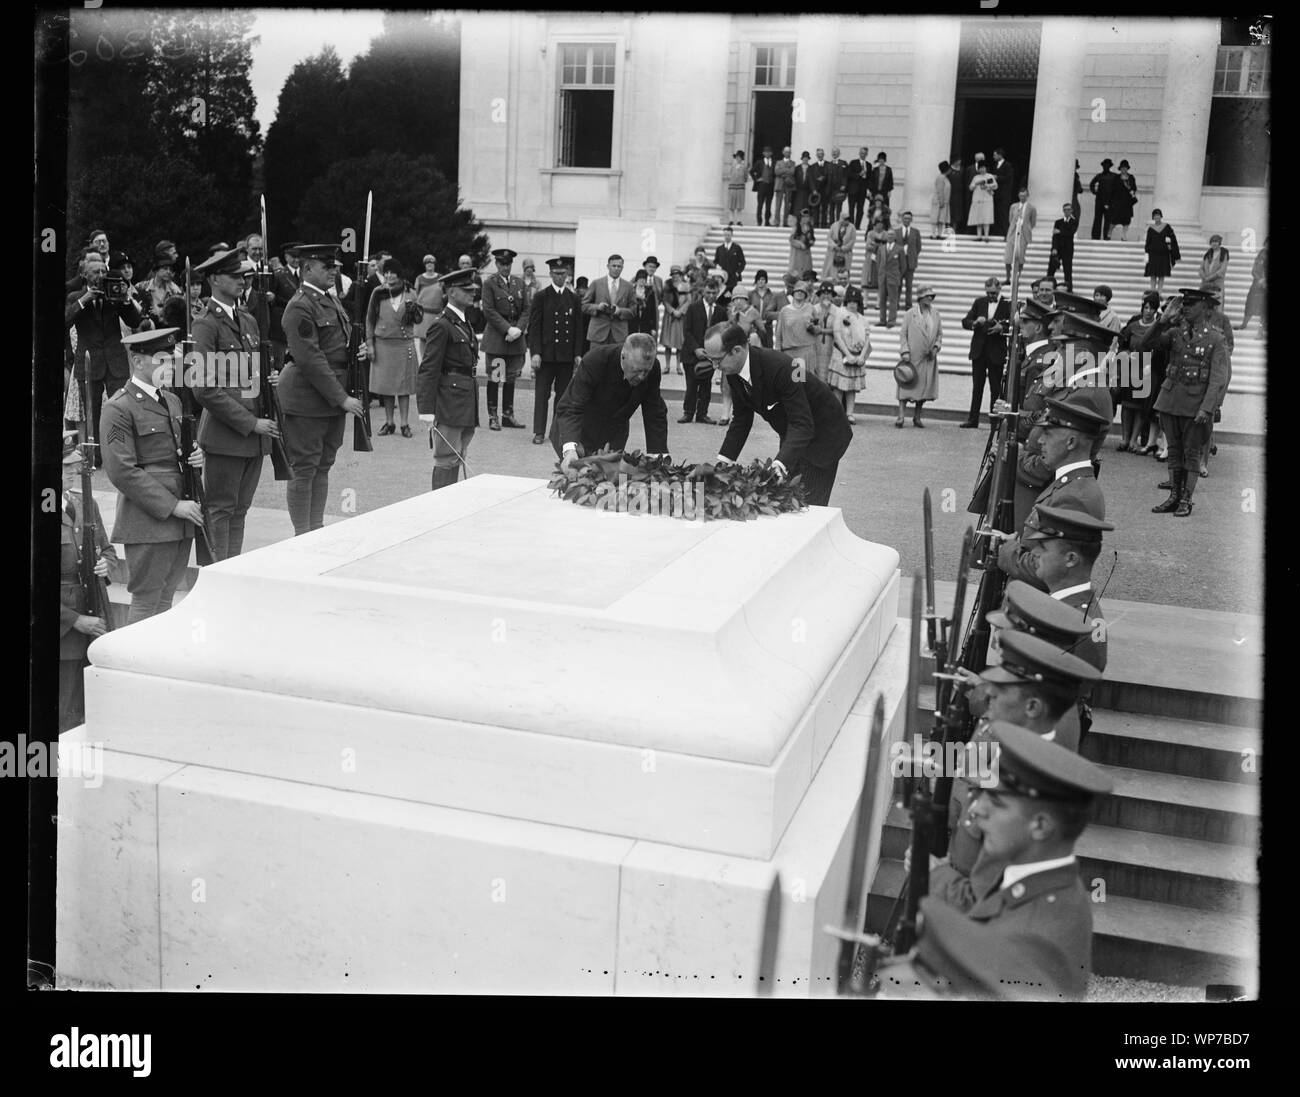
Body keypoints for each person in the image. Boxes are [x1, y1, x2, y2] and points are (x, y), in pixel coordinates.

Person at [913, 720, 1113, 1001]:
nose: (977, 809)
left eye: (994, 800)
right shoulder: (1033, 880)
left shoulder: (1032, 942)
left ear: (1041, 826)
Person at [931, 630, 1102, 913]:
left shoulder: (1026, 785)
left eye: (1000, 689)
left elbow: (983, 901)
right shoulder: (1018, 746)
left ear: (1032, 706)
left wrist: (936, 875)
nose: (990, 693)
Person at [100, 328, 205, 622]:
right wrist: (173, 506)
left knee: (167, 597)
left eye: (171, 360)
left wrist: (196, 456)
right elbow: (122, 471)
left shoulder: (171, 401)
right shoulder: (118, 408)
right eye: (161, 360)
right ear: (138, 361)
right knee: (147, 601)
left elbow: (178, 454)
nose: (169, 366)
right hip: (148, 519)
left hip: (181, 516)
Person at [189, 249, 280, 562]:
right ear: (215, 279)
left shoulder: (248, 320)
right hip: (227, 435)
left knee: (239, 511)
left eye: (244, 275)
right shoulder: (205, 325)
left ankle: (231, 572)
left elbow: (249, 376)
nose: (242, 281)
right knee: (220, 511)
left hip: (254, 436)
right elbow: (202, 387)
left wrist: (269, 382)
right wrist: (249, 422)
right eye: (234, 276)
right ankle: (215, 578)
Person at [701, 321, 853, 507]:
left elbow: (803, 424)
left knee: (808, 510)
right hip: (793, 432)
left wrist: (780, 464)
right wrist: (722, 464)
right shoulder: (732, 371)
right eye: (711, 360)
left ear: (737, 350)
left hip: (823, 436)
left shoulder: (782, 367)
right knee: (786, 500)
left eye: (718, 359)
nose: (715, 366)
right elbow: (741, 420)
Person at [278, 244, 366, 534]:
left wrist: (358, 349)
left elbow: (339, 344)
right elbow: (310, 358)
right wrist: (342, 398)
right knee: (304, 467)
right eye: (326, 267)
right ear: (307, 269)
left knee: (324, 464)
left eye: (335, 267)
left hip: (328, 397)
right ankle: (302, 533)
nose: (333, 271)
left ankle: (315, 528)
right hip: (307, 397)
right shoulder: (300, 305)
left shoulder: (330, 300)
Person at [1000, 386, 1111, 585]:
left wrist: (1006, 550)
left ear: (1070, 442)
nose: (1040, 440)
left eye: (1048, 434)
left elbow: (1049, 569)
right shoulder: (1068, 485)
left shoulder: (1075, 497)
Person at [1149, 288, 1230, 518]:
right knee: (1174, 451)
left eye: (1191, 303)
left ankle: (1186, 499)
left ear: (1204, 307)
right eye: (1184, 303)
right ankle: (1174, 496)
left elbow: (1218, 378)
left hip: (1195, 405)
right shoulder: (1175, 332)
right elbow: (1145, 345)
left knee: (1191, 453)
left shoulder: (1216, 338)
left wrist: (1208, 407)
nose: (1185, 307)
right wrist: (1161, 322)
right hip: (1170, 400)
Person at [59, 430, 117, 732]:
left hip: (95, 618)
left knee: (88, 709)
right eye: (65, 466)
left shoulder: (85, 504)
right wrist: (74, 620)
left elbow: (107, 549)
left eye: (74, 465)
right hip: (63, 632)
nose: (73, 471)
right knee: (62, 710)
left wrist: (106, 564)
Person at [65, 250, 145, 457]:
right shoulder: (75, 297)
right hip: (89, 363)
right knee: (93, 413)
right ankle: (96, 456)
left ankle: (122, 452)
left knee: (120, 408)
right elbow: (65, 321)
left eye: (103, 270)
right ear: (84, 275)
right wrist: (86, 299)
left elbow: (135, 322)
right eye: (95, 272)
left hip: (115, 361)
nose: (101, 275)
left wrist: (125, 300)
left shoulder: (114, 295)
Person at [1019, 505, 1114, 677]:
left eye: (1043, 547)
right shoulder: (1064, 606)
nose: (1034, 552)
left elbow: (1057, 695)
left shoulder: (1081, 625)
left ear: (1070, 559)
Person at [554, 333, 668, 465]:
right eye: (637, 370)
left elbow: (654, 413)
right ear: (623, 356)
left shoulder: (653, 368)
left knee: (611, 480)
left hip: (615, 432)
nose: (642, 377)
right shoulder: (595, 360)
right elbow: (571, 406)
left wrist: (659, 457)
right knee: (578, 479)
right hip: (578, 430)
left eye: (646, 371)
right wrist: (570, 450)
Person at [417, 268, 481, 489]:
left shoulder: (463, 322)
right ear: (452, 292)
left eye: (473, 289)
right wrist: (426, 410)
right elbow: (429, 369)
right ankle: (440, 510)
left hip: (464, 398)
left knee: (458, 455)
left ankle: (451, 508)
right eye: (467, 290)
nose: (473, 293)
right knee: (446, 457)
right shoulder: (442, 325)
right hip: (450, 402)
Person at [525, 256, 582, 445]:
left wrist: (577, 354)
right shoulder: (541, 297)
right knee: (542, 395)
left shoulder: (573, 298)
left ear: (567, 275)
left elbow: (578, 328)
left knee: (563, 397)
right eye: (556, 274)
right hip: (546, 356)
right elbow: (535, 327)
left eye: (563, 274)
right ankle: (539, 432)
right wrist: (535, 353)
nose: (559, 277)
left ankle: (558, 432)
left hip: (565, 357)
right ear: (550, 274)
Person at [365, 258, 420, 438]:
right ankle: (389, 422)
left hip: (404, 344)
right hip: (383, 344)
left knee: (403, 387)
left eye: (392, 272)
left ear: (399, 274)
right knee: (386, 386)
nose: (388, 275)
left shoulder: (411, 293)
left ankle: (404, 423)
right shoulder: (378, 292)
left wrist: (415, 312)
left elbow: (418, 319)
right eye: (386, 272)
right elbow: (370, 319)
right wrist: (370, 344)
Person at [478, 247, 528, 430]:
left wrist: (518, 330)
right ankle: (493, 416)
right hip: (498, 340)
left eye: (508, 264)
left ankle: (508, 414)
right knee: (496, 377)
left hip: (515, 340)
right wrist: (507, 329)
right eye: (502, 264)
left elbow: (526, 310)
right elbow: (489, 311)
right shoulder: (490, 283)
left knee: (512, 377)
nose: (506, 267)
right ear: (497, 264)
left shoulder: (519, 283)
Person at [960, 277, 1011, 429]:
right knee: (977, 387)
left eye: (993, 293)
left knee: (995, 388)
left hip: (996, 352)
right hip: (979, 352)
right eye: (988, 293)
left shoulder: (1007, 303)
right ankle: (973, 419)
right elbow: (965, 321)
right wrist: (975, 323)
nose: (991, 296)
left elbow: (1014, 324)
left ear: (1000, 289)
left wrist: (1001, 328)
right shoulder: (979, 302)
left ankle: (994, 421)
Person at [1116, 290, 1163, 452]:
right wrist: (1126, 353)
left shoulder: (1157, 329)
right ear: (1142, 308)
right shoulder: (1133, 326)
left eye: (1152, 309)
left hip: (1146, 371)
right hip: (1129, 368)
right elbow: (1121, 344)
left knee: (1140, 407)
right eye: (1146, 308)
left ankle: (1134, 440)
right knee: (1126, 406)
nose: (1149, 312)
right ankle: (1124, 438)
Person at [679, 278, 728, 424]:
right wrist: (696, 349)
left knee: (706, 386)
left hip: (710, 356)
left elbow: (723, 332)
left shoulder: (720, 311)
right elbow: (686, 331)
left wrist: (716, 353)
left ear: (718, 292)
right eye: (708, 292)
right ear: (703, 292)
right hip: (691, 353)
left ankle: (702, 414)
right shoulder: (693, 307)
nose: (711, 295)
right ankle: (688, 413)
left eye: (714, 292)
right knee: (691, 385)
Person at [896, 285, 942, 427]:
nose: (930, 298)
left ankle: (917, 416)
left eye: (931, 296)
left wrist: (936, 347)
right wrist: (905, 351)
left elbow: (939, 334)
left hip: (928, 357)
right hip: (912, 356)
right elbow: (903, 334)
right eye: (927, 296)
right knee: (906, 382)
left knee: (923, 386)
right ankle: (901, 416)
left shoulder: (935, 314)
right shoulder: (910, 314)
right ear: (920, 297)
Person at [828, 287, 870, 423]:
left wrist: (861, 357)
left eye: (855, 302)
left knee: (852, 388)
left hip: (857, 355)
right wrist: (847, 354)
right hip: (842, 354)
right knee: (839, 387)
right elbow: (837, 336)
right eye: (850, 301)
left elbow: (867, 340)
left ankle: (849, 413)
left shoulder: (863, 319)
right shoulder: (840, 314)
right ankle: (836, 413)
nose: (852, 304)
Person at [583, 254, 636, 348]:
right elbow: (583, 305)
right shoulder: (596, 283)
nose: (616, 268)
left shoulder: (629, 287)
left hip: (619, 335)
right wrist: (597, 307)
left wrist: (620, 311)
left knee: (616, 362)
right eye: (613, 266)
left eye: (619, 266)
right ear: (608, 266)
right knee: (596, 361)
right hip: (598, 334)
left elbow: (633, 310)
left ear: (622, 268)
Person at [773, 279, 816, 380]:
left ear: (806, 294)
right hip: (790, 352)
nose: (800, 293)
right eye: (798, 291)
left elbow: (819, 328)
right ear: (793, 292)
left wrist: (813, 327)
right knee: (794, 384)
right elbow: (778, 333)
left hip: (806, 351)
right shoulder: (784, 311)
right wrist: (778, 353)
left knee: (807, 385)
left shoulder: (811, 308)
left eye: (803, 291)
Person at [1003, 186, 1037, 283]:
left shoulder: (1031, 208)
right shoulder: (1013, 206)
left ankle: (1017, 277)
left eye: (1024, 196)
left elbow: (1033, 222)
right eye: (1021, 196)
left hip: (1023, 234)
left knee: (1020, 257)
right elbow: (1010, 219)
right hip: (1013, 232)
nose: (1022, 197)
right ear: (1018, 195)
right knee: (1008, 257)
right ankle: (1008, 278)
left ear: (1027, 196)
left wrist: (1027, 228)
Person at [807, 282, 837, 384]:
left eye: (829, 293)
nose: (826, 296)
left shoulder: (837, 311)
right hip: (815, 345)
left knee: (829, 375)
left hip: (831, 346)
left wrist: (822, 330)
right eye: (823, 293)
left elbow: (838, 330)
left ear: (832, 296)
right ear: (819, 295)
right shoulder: (813, 309)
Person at [1143, 209, 1180, 293]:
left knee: (1161, 274)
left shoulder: (1167, 227)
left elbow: (1173, 239)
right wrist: (1146, 252)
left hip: (1163, 254)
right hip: (1153, 254)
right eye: (1155, 215)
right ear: (1153, 217)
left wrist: (1171, 247)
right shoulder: (1150, 229)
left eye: (1158, 215)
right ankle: (1153, 291)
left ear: (1161, 216)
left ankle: (1159, 292)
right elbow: (1148, 242)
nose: (1157, 217)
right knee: (1152, 274)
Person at [660, 267, 688, 371]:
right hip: (669, 317)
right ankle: (667, 365)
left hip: (680, 318)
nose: (675, 277)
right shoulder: (667, 285)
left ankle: (678, 365)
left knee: (679, 343)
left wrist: (680, 311)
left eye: (678, 275)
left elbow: (688, 301)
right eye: (673, 275)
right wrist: (672, 311)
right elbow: (664, 300)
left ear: (681, 275)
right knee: (668, 343)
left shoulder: (685, 286)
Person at [1046, 203, 1078, 293]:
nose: (1067, 211)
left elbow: (1071, 233)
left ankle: (1069, 289)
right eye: (1065, 210)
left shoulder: (1074, 221)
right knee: (1051, 268)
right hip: (1058, 248)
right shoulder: (1058, 222)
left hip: (1068, 249)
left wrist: (1060, 231)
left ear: (1071, 210)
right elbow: (1055, 236)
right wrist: (1054, 248)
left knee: (1067, 269)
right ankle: (1047, 285)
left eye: (1069, 209)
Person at [875, 228, 904, 328]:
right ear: (886, 236)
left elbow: (903, 266)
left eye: (892, 234)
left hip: (893, 278)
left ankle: (891, 321)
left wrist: (897, 275)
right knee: (882, 300)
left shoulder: (899, 249)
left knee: (893, 300)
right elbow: (878, 263)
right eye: (889, 234)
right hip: (883, 277)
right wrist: (880, 274)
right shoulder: (881, 248)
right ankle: (882, 320)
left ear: (895, 237)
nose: (890, 236)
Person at [1240, 238, 1267, 336]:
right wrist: (1259, 279)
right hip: (1256, 284)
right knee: (1250, 303)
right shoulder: (1261, 253)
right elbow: (1254, 269)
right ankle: (1244, 324)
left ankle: (1260, 331)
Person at [898, 211, 923, 310]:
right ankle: (896, 303)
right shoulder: (897, 232)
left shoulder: (915, 232)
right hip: (899, 262)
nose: (907, 220)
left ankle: (908, 304)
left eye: (909, 218)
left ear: (911, 220)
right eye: (905, 218)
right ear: (902, 219)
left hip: (910, 262)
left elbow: (918, 247)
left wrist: (912, 255)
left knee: (909, 285)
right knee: (898, 285)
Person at [822, 212, 857, 279]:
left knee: (844, 271)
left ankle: (843, 285)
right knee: (833, 270)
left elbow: (852, 240)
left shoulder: (852, 227)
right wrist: (834, 246)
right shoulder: (834, 225)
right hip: (834, 252)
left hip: (845, 253)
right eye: (845, 219)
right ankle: (833, 282)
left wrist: (843, 248)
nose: (847, 221)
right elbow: (829, 237)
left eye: (848, 219)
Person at [1089, 158, 1118, 240]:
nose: (1105, 167)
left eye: (1107, 165)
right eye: (1104, 165)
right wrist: (1094, 192)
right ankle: (1095, 236)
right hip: (1099, 200)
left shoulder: (1114, 176)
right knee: (1097, 219)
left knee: (1108, 220)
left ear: (1110, 166)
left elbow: (1118, 187)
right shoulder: (1099, 176)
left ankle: (1106, 236)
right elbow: (1091, 184)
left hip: (1109, 201)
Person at [967, 158, 996, 240]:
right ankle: (979, 236)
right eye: (980, 168)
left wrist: (987, 186)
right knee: (978, 218)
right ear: (978, 169)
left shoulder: (989, 176)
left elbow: (995, 186)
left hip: (987, 200)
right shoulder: (976, 177)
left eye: (984, 167)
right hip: (978, 200)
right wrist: (976, 184)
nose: (982, 169)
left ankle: (986, 236)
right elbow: (970, 188)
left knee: (987, 218)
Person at [1109, 160, 1138, 240]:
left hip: (1127, 202)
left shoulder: (1131, 177)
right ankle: (1109, 233)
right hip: (1117, 202)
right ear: (1120, 169)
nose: (1124, 169)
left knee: (1127, 220)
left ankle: (1123, 235)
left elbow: (1134, 188)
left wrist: (1130, 188)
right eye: (1122, 168)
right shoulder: (1116, 178)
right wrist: (1111, 202)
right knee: (1114, 220)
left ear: (1127, 168)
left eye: (1125, 168)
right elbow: (1112, 190)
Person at [713, 225, 746, 292]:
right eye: (725, 235)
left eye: (728, 235)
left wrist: (737, 273)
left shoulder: (737, 248)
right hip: (723, 278)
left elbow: (743, 262)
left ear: (731, 235)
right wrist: (717, 266)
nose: (726, 237)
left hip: (733, 278)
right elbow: (715, 261)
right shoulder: (719, 249)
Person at [991, 149, 1015, 236]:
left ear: (1000, 155)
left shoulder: (1008, 165)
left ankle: (1006, 233)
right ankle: (997, 232)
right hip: (996, 194)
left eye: (995, 155)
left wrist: (997, 177)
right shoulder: (995, 165)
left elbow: (1009, 178)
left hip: (1004, 194)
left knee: (1004, 214)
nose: (993, 157)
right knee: (996, 213)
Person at [750, 145, 776, 226]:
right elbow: (751, 171)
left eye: (769, 152)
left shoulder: (774, 162)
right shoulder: (759, 162)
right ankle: (759, 221)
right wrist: (756, 179)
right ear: (763, 153)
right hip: (761, 186)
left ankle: (767, 221)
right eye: (766, 152)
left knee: (768, 205)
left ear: (771, 153)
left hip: (770, 186)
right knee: (760, 204)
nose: (767, 153)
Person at [846, 146, 871, 228]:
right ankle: (851, 225)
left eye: (864, 153)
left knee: (860, 209)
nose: (862, 155)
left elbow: (869, 179)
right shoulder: (853, 162)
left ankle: (857, 226)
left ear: (867, 154)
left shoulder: (869, 165)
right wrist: (859, 174)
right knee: (851, 208)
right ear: (859, 153)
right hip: (853, 189)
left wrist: (869, 190)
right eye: (861, 153)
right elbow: (849, 174)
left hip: (862, 190)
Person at [773, 147, 796, 227]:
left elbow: (792, 172)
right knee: (778, 204)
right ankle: (776, 221)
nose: (787, 153)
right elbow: (776, 172)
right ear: (783, 152)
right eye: (786, 152)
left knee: (787, 205)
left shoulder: (793, 163)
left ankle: (785, 222)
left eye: (789, 152)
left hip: (788, 185)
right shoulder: (778, 162)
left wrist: (782, 171)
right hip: (779, 185)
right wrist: (786, 170)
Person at [787, 211, 814, 279]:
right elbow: (791, 239)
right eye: (805, 217)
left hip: (806, 253)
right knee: (797, 270)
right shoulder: (797, 227)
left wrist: (811, 241)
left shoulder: (809, 227)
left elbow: (812, 237)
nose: (807, 219)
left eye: (808, 217)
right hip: (798, 253)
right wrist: (800, 244)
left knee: (807, 268)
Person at [825, 147, 849, 225]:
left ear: (839, 153)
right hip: (831, 189)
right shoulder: (829, 164)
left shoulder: (843, 163)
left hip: (839, 189)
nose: (834, 153)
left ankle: (838, 223)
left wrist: (844, 185)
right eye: (833, 152)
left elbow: (846, 175)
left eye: (836, 152)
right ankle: (832, 224)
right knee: (831, 208)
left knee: (839, 208)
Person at [725, 149, 749, 222]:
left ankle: (739, 221)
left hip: (740, 188)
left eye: (739, 157)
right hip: (732, 187)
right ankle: (731, 220)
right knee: (731, 205)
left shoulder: (744, 167)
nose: (738, 159)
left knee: (739, 206)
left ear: (742, 158)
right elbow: (730, 175)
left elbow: (745, 178)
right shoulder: (732, 167)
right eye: (737, 157)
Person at [930, 162, 951, 239]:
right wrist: (941, 201)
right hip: (939, 202)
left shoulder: (945, 178)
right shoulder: (940, 178)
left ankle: (939, 234)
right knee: (935, 217)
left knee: (941, 219)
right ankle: (933, 234)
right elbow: (940, 190)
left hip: (944, 202)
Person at [946, 156, 965, 235]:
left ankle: (955, 228)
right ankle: (948, 228)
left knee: (957, 211)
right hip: (950, 192)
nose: (959, 162)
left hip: (959, 193)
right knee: (950, 210)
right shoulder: (949, 170)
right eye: (958, 160)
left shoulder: (962, 169)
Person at [792, 151, 812, 221]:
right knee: (798, 205)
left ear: (808, 159)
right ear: (802, 159)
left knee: (805, 206)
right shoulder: (797, 168)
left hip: (807, 190)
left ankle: (805, 221)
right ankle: (797, 220)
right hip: (798, 190)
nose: (805, 159)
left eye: (806, 158)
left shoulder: (811, 168)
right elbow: (793, 178)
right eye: (804, 158)